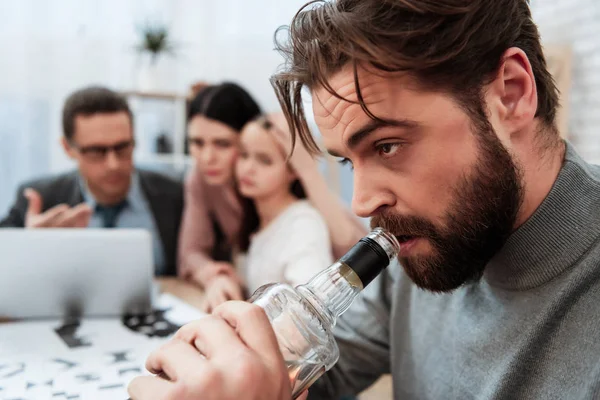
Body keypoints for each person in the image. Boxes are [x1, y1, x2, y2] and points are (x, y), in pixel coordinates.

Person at [179, 82, 366, 310]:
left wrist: (306, 169)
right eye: (197, 143)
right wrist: (214, 276)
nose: (207, 157)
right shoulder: (204, 179)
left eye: (223, 144)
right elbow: (191, 252)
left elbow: (353, 255)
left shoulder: (299, 217)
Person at [0, 86, 183, 276]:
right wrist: (27, 247)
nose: (113, 164)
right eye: (96, 151)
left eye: (122, 148)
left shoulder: (173, 195)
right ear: (68, 148)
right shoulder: (41, 198)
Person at [204, 116, 333, 309]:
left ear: (293, 171)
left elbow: (310, 311)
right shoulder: (259, 217)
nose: (247, 168)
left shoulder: (304, 225)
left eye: (264, 160)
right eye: (244, 155)